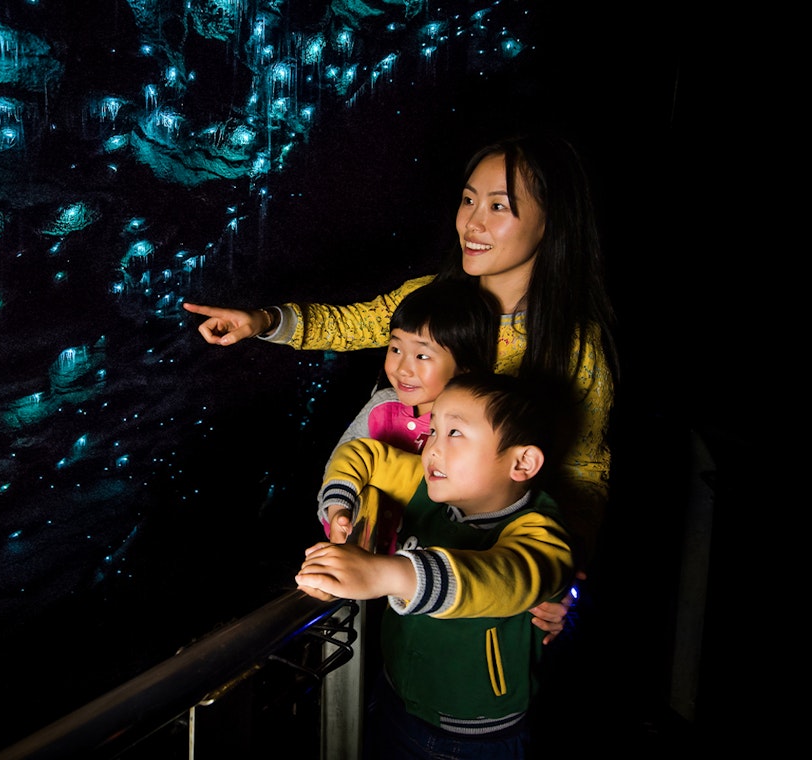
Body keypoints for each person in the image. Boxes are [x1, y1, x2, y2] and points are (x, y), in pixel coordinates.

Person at [183, 131, 617, 642]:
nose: (472, 223)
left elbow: (585, 472)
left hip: (492, 561)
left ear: (553, 221)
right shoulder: (433, 297)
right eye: (468, 199)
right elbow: (352, 322)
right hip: (400, 542)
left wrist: (566, 576)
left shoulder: (572, 344)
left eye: (499, 206)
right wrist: (261, 321)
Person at [296, 372, 574, 758]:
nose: (431, 449)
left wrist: (386, 573)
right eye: (433, 431)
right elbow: (364, 454)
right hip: (395, 693)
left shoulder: (540, 532)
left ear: (522, 461)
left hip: (471, 735)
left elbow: (503, 577)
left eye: (455, 434)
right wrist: (342, 505)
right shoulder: (431, 486)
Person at [322, 277, 499, 554]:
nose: (403, 368)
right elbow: (341, 461)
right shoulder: (380, 406)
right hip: (364, 550)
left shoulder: (471, 424)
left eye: (422, 356)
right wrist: (338, 514)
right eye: (396, 349)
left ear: (465, 367)